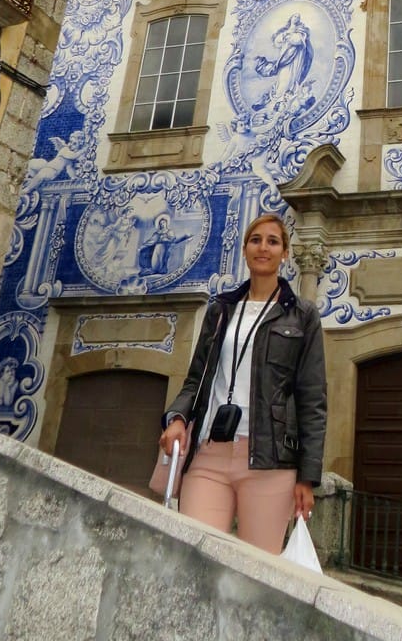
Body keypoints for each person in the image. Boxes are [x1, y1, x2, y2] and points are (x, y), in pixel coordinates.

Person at [158, 213, 326, 553]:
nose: (263, 247)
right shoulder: (221, 309)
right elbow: (196, 379)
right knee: (195, 557)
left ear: (286, 254)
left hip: (270, 462)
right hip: (209, 455)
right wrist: (176, 418)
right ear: (246, 249)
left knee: (259, 573)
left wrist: (307, 477)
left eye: (273, 241)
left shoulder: (302, 315)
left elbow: (312, 399)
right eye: (255, 240)